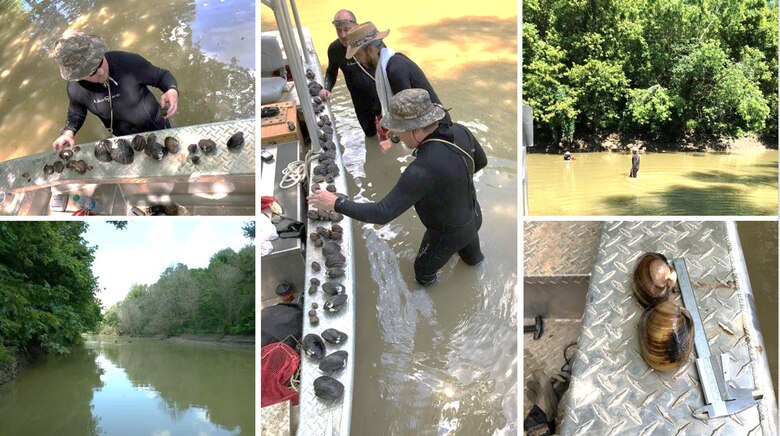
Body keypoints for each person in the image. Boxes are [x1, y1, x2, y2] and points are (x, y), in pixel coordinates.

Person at [308, 89, 485, 285]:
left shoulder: (421, 170)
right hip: (474, 216)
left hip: (446, 235)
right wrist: (451, 183)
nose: (395, 135)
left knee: (422, 274)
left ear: (415, 129)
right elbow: (481, 161)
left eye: (398, 130)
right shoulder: (461, 131)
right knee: (474, 263)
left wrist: (335, 203)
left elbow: (381, 213)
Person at [50, 30, 179, 152]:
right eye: (92, 72)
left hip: (156, 126)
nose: (101, 72)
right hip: (124, 140)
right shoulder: (76, 89)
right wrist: (68, 133)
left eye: (100, 62)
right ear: (78, 76)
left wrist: (171, 90)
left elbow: (161, 76)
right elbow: (76, 112)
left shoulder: (128, 62)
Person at [345, 22, 452, 151]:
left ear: (370, 50)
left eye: (358, 55)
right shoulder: (391, 62)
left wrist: (393, 140)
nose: (358, 61)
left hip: (435, 131)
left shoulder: (395, 70)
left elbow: (410, 117)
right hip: (428, 129)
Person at [319, 10, 383, 139]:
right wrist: (327, 88)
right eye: (339, 30)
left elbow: (387, 66)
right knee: (370, 136)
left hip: (381, 97)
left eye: (347, 30)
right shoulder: (334, 49)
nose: (343, 35)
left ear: (356, 26)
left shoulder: (370, 42)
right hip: (360, 102)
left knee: (391, 137)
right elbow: (331, 72)